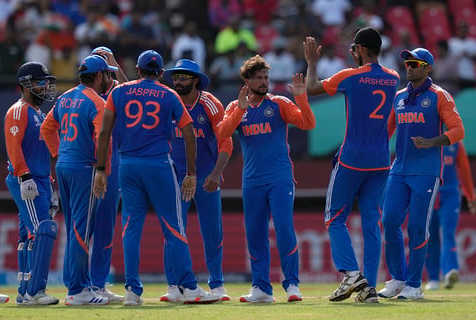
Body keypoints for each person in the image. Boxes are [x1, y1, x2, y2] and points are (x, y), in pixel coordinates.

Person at [92, 50, 220, 306]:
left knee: (130, 228)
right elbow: (189, 133)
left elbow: (104, 131)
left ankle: (132, 291)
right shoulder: (169, 94)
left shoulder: (119, 92)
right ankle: (189, 287)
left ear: (138, 70)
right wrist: (191, 174)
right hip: (159, 165)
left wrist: (101, 169)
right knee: (174, 227)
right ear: (162, 73)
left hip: (127, 165)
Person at [303, 26, 400, 303]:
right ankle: (368, 288)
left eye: (354, 49)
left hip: (352, 159)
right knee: (371, 222)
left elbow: (311, 88)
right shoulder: (393, 78)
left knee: (334, 217)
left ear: (360, 50)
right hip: (381, 160)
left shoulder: (352, 76)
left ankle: (350, 273)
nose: (352, 53)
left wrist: (312, 63)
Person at [217, 54, 315, 303]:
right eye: (259, 78)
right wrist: (239, 110)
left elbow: (307, 123)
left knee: (283, 228)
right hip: (252, 181)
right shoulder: (236, 106)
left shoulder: (279, 103)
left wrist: (301, 96)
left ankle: (292, 284)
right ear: (247, 80)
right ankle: (261, 288)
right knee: (255, 234)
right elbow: (222, 133)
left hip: (280, 178)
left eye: (266, 77)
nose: (264, 82)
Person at [378, 48, 465, 300]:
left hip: (426, 172)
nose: (409, 67)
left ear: (428, 68)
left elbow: (458, 131)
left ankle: (414, 285)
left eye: (415, 63)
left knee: (417, 227)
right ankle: (397, 279)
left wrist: (432, 142)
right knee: (390, 221)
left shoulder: (440, 96)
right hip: (399, 170)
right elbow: (386, 133)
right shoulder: (399, 97)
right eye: (407, 62)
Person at [41, 55, 117, 306]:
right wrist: (102, 169)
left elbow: (46, 128)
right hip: (84, 168)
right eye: (107, 74)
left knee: (75, 227)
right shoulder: (96, 102)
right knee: (81, 230)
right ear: (99, 76)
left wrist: (58, 152)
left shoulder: (65, 97)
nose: (109, 79)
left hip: (65, 165)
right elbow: (102, 136)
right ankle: (77, 290)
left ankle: (75, 284)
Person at [160, 59, 233, 302]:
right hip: (176, 177)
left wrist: (215, 173)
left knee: (212, 232)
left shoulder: (210, 103)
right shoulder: (168, 100)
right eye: (175, 77)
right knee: (173, 231)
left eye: (183, 77)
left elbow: (225, 140)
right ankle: (173, 285)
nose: (177, 81)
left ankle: (217, 283)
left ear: (195, 80)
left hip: (205, 178)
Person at [4, 61, 60, 305]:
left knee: (29, 234)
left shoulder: (39, 113)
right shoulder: (19, 110)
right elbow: (13, 146)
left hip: (40, 179)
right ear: (25, 84)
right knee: (42, 230)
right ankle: (35, 292)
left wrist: (51, 184)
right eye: (40, 81)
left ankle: (24, 290)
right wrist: (24, 176)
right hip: (25, 179)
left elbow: (43, 153)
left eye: (46, 82)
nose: (45, 86)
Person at [88, 46, 128, 303]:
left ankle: (97, 284)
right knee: (84, 228)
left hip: (112, 165)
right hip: (90, 164)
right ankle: (80, 286)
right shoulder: (84, 95)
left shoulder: (115, 90)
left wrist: (115, 64)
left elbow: (136, 92)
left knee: (104, 227)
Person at [425, 141, 476, 291]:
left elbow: (465, 170)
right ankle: (433, 278)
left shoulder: (456, 144)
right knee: (430, 235)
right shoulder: (427, 141)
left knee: (448, 233)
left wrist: (470, 197)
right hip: (429, 193)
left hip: (450, 194)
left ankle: (449, 272)